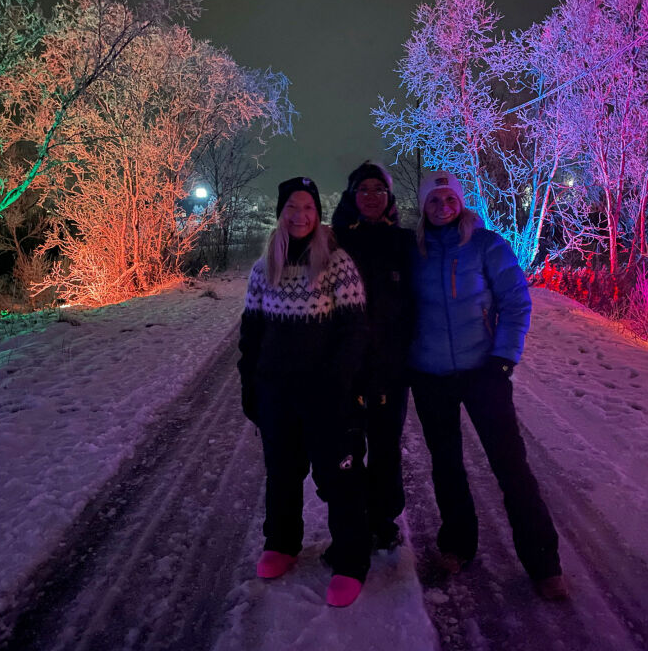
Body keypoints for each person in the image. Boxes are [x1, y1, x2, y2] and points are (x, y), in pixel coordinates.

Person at [409, 170, 569, 601]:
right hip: (430, 376)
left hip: (484, 372)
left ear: (460, 201)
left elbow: (517, 302)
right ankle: (457, 545)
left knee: (510, 465)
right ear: (423, 207)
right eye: (434, 200)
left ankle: (543, 563)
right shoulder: (414, 251)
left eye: (449, 198)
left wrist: (503, 358)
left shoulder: (486, 245)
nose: (443, 206)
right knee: (447, 465)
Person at [237, 176, 372, 608]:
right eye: (293, 208)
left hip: (326, 395)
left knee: (338, 479)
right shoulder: (265, 268)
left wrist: (340, 383)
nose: (301, 216)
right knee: (282, 473)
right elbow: (252, 335)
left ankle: (351, 561)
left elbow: (355, 331)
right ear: (281, 214)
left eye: (308, 208)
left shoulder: (335, 262)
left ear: (318, 213)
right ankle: (281, 543)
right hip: (277, 392)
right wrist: (250, 384)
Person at [331, 161, 416, 551]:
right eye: (363, 189)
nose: (370, 197)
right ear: (352, 196)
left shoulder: (404, 243)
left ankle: (382, 519)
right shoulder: (333, 243)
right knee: (345, 450)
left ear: (389, 198)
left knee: (385, 448)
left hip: (390, 369)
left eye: (378, 190)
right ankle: (350, 523)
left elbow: (417, 304)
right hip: (344, 369)